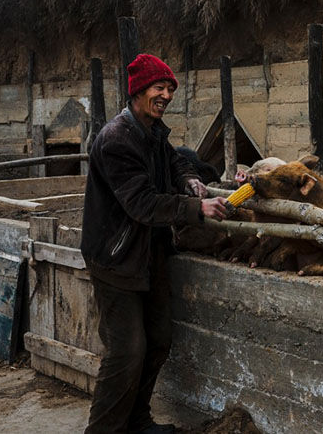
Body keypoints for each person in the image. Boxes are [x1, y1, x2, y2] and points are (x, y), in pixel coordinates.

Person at [80, 53, 228, 433]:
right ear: (138, 91)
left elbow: (174, 161)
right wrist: (198, 207)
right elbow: (141, 203)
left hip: (150, 253)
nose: (165, 95)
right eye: (158, 88)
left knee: (158, 340)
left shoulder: (154, 131)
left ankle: (137, 421)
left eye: (169, 89)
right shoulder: (116, 139)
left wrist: (190, 179)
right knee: (126, 351)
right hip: (116, 258)